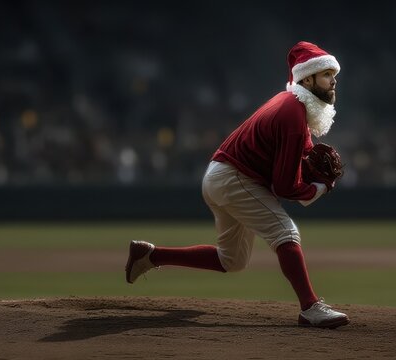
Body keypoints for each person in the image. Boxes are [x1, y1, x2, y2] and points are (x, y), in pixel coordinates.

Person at [125, 41, 348, 329]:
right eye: (327, 74)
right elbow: (283, 186)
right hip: (234, 178)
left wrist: (309, 178)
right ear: (307, 77)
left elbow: (288, 171)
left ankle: (151, 255)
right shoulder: (292, 113)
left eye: (334, 76)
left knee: (232, 260)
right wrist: (320, 187)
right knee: (285, 232)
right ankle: (310, 307)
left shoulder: (293, 107)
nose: (333, 81)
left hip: (224, 177)